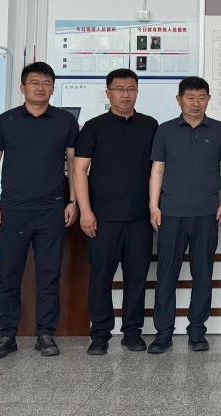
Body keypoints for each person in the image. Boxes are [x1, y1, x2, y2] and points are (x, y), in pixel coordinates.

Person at [0, 62, 79, 359]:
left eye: (47, 83)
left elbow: (74, 163)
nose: (41, 87)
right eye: (35, 82)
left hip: (52, 209)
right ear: (22, 88)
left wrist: (73, 201)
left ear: (53, 88)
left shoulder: (65, 121)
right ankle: (6, 335)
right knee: (9, 274)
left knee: (49, 274)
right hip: (13, 209)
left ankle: (45, 333)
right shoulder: (6, 121)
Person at [72, 68, 158, 355]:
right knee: (101, 278)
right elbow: (79, 170)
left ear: (137, 92)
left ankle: (132, 332)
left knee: (137, 278)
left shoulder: (150, 125)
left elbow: (158, 170)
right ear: (107, 93)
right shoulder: (93, 127)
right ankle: (99, 334)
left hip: (139, 218)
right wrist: (85, 210)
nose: (125, 94)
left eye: (131, 89)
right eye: (119, 89)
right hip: (102, 217)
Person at [148, 76, 221, 354]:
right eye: (190, 97)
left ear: (208, 99)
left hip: (206, 212)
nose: (196, 103)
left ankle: (197, 330)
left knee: (202, 274)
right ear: (179, 100)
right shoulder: (165, 130)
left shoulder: (218, 130)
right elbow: (157, 169)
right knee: (166, 275)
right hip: (171, 212)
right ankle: (163, 332)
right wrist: (154, 206)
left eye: (201, 97)